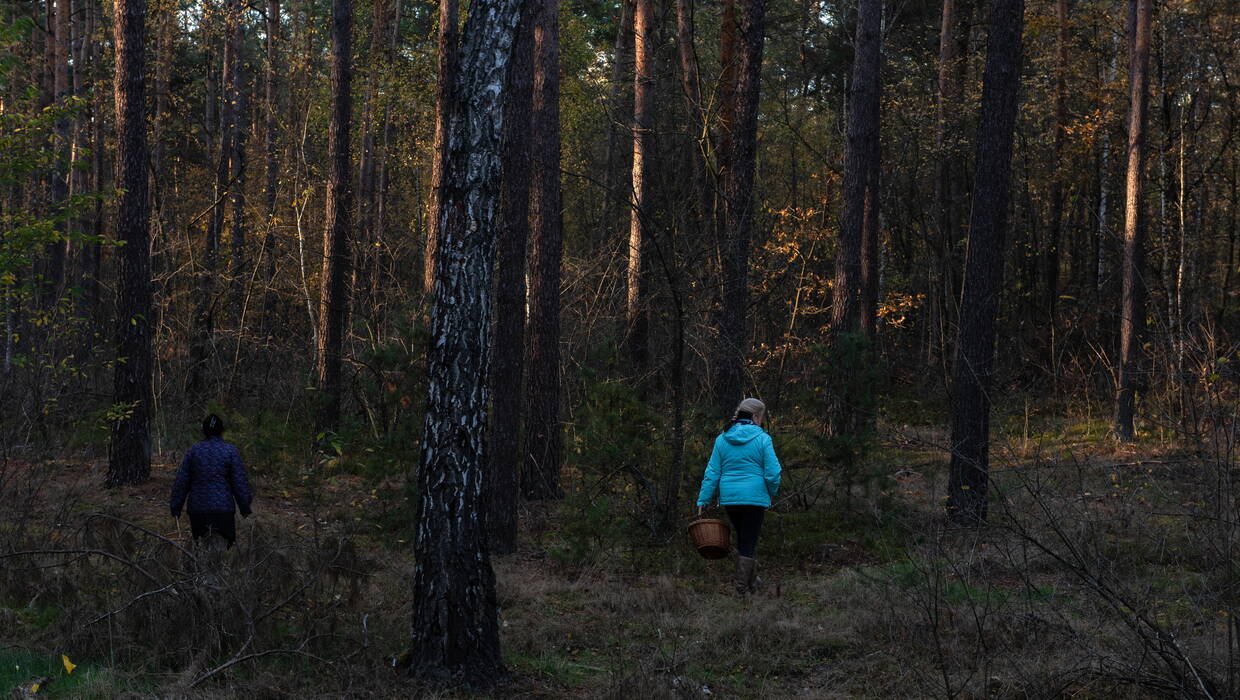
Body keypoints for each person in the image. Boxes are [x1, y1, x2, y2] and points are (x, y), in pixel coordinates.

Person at [695, 397, 782, 595]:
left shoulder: (722, 439)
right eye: (761, 417)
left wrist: (703, 499)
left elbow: (712, 472)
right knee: (748, 541)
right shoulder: (762, 439)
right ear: (756, 416)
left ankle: (753, 582)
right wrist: (771, 492)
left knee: (744, 539)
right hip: (754, 498)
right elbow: (773, 473)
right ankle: (741, 589)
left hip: (731, 499)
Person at [170, 414, 253, 549]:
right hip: (223, 510)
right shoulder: (231, 451)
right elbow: (239, 482)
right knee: (222, 549)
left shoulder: (193, 451)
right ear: (222, 430)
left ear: (203, 430)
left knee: (201, 547)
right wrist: (245, 507)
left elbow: (181, 482)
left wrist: (175, 507)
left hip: (198, 510)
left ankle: (202, 569)